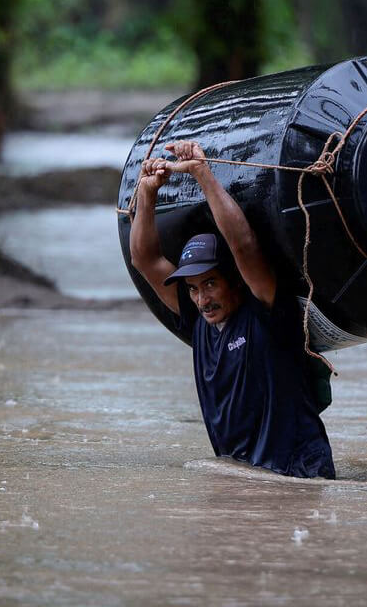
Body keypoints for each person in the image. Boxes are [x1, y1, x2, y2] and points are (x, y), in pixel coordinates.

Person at [128, 139, 335, 479]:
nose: (202, 298)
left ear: (235, 281)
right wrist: (148, 193)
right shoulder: (198, 321)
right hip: (246, 476)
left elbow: (243, 245)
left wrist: (200, 172)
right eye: (193, 288)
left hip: (299, 472)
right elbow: (145, 260)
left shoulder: (266, 311)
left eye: (210, 283)